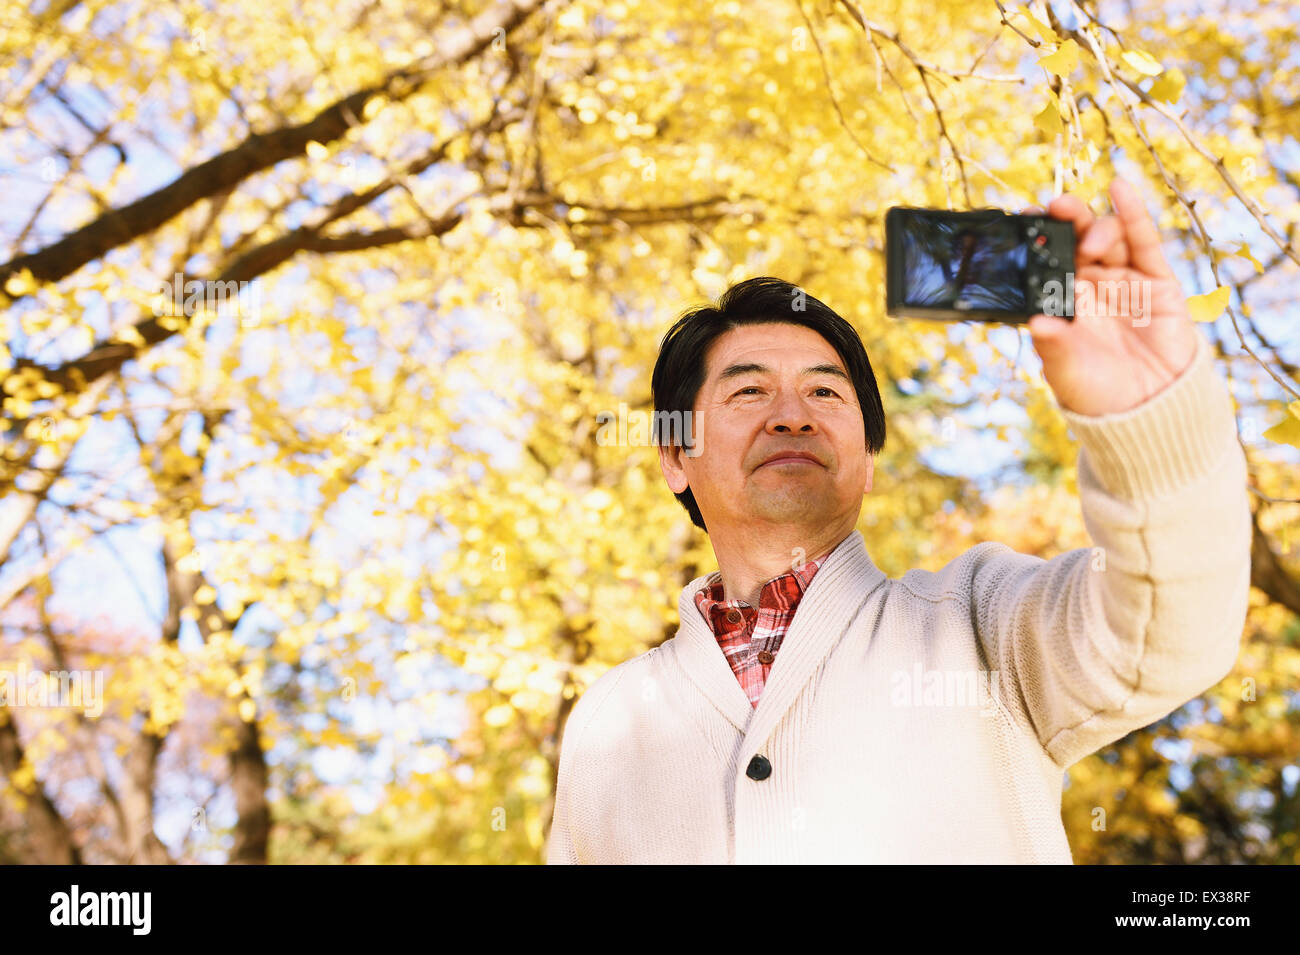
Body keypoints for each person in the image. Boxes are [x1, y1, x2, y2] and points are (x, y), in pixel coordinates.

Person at [545, 178, 1250, 863]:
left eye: (825, 390)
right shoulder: (608, 721)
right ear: (676, 458)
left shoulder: (982, 624)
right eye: (749, 389)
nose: (792, 413)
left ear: (868, 458)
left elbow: (1166, 634)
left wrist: (1150, 420)